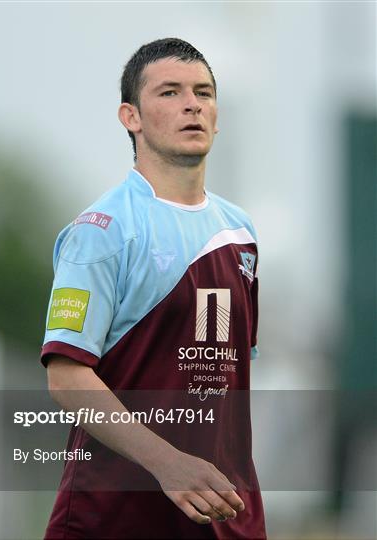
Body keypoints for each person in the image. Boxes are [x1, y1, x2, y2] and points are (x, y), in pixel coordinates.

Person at [41, 38, 267, 539]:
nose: (192, 104)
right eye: (169, 92)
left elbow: (224, 383)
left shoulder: (241, 230)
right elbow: (67, 379)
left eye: (203, 93)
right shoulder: (101, 230)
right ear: (131, 116)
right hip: (117, 518)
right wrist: (169, 465)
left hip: (227, 518)